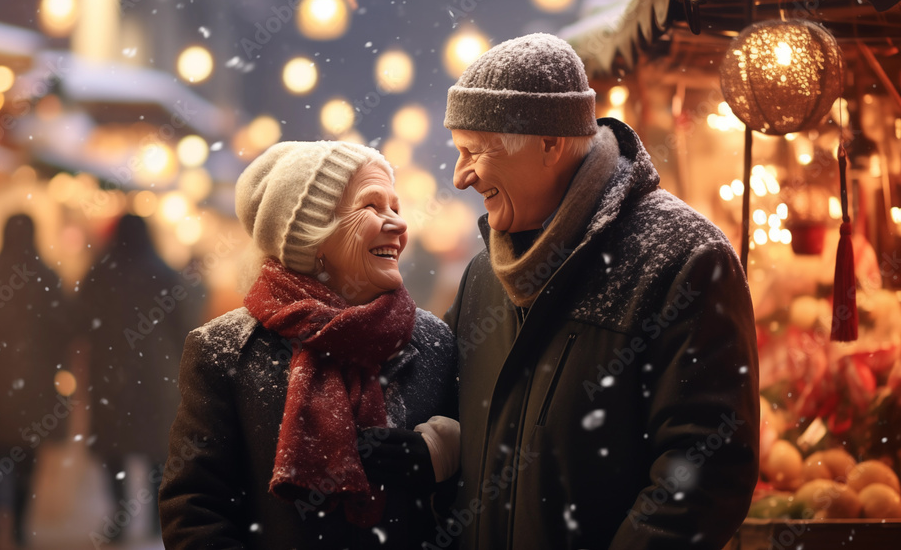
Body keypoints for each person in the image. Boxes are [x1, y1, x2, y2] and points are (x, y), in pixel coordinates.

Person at [441, 33, 760, 549]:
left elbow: (702, 473)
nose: (461, 177)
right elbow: (455, 435)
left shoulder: (683, 258)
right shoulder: (484, 274)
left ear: (550, 143)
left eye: (474, 150)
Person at [159, 141, 461, 549]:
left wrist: (443, 460)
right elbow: (195, 508)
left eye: (395, 207)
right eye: (372, 207)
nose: (398, 224)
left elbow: (484, 499)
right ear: (311, 238)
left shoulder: (433, 342)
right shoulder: (225, 350)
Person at [76, 214, 200, 543]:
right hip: (154, 376)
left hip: (110, 374)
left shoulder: (101, 273)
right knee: (157, 450)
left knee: (113, 449)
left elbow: (81, 320)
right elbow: (184, 326)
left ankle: (119, 514)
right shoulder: (164, 274)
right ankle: (153, 520)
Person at [0, 213, 72, 547]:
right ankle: (19, 525)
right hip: (33, 387)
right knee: (25, 460)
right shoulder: (46, 276)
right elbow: (61, 331)